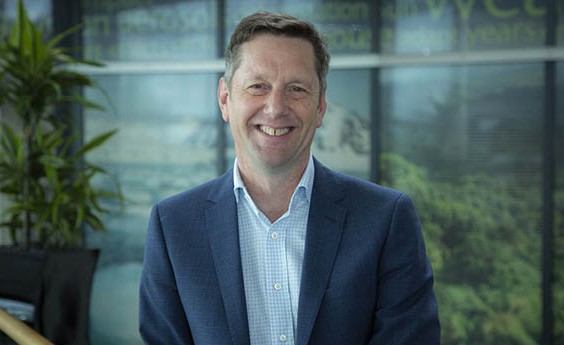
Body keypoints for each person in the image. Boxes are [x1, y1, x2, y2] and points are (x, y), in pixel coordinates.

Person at [139, 11, 440, 345]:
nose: (275, 107)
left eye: (296, 89)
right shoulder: (174, 226)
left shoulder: (385, 219)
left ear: (321, 106)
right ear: (225, 99)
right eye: (257, 87)